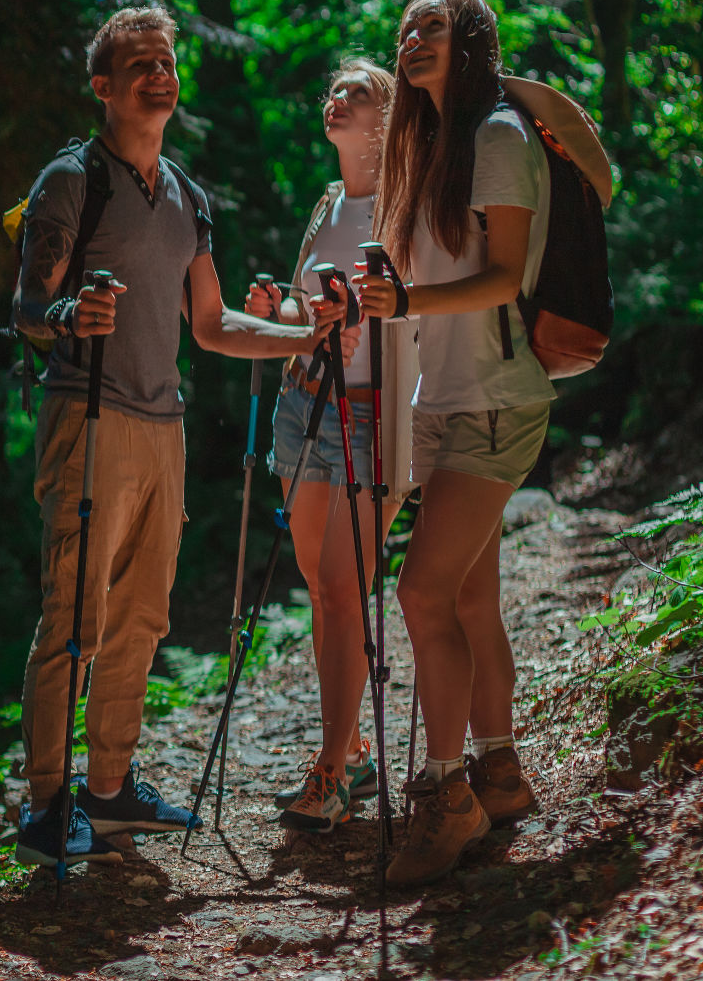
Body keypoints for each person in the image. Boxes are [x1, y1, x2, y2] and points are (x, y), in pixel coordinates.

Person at [9, 6, 357, 867]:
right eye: (139, 65)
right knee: (74, 613)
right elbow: (26, 309)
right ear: (103, 86)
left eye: (166, 62)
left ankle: (111, 788)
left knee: (144, 613)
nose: (159, 75)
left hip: (164, 425)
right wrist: (65, 313)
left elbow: (211, 321)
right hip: (85, 416)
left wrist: (301, 338)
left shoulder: (186, 194)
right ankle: (48, 804)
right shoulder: (70, 180)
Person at [353, 0, 599, 885]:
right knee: (463, 600)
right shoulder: (425, 151)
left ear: (470, 42)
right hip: (442, 400)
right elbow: (412, 283)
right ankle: (500, 774)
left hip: (496, 402)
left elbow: (501, 278)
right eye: (405, 24)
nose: (412, 37)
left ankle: (443, 791)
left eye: (433, 26)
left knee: (420, 595)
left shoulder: (496, 136)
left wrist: (407, 299)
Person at [241, 56, 420, 834]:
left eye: (356, 92)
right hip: (300, 402)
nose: (334, 101)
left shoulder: (403, 209)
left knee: (344, 587)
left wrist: (364, 327)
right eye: (333, 92)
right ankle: (349, 750)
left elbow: (419, 314)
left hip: (369, 414)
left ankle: (331, 769)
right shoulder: (326, 204)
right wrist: (275, 306)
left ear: (388, 120)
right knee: (320, 583)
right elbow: (304, 308)